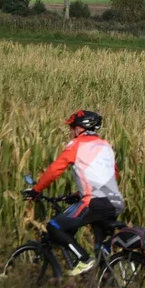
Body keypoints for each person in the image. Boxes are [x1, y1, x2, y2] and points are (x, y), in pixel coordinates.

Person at [22, 110, 125, 276]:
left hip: (94, 202)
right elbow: (114, 174)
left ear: (81, 129)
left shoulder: (76, 145)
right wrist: (79, 194)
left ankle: (83, 259)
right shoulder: (105, 146)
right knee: (101, 251)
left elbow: (55, 170)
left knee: (54, 226)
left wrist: (36, 190)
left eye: (72, 127)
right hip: (115, 203)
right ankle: (105, 285)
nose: (71, 131)